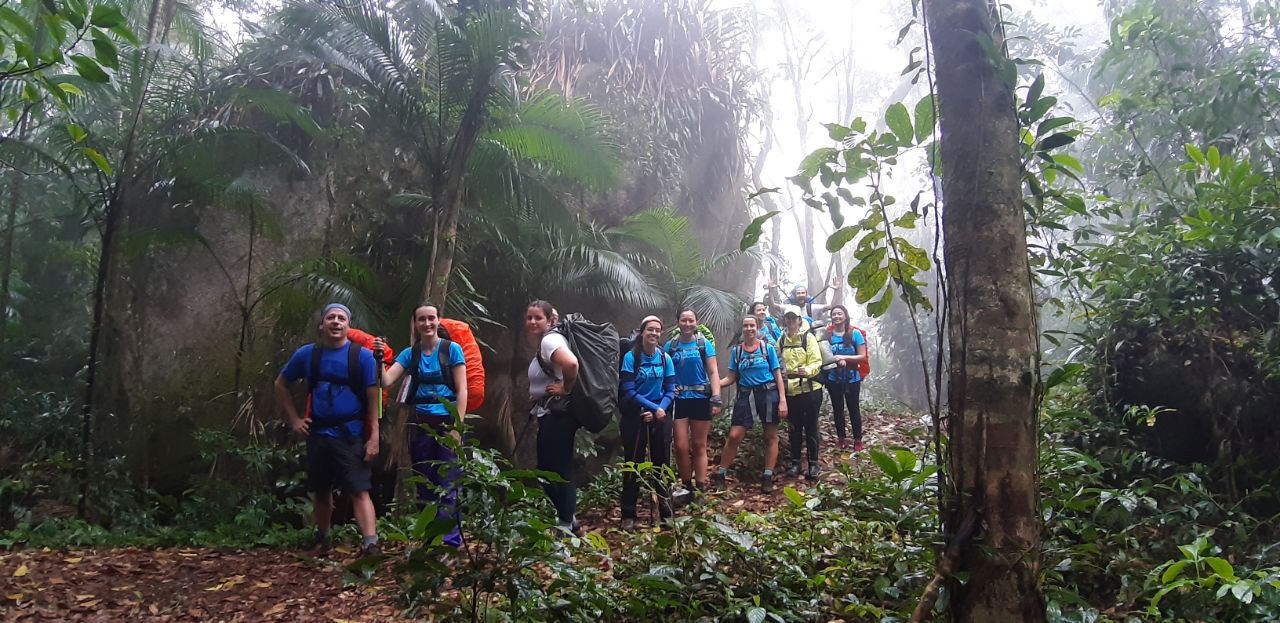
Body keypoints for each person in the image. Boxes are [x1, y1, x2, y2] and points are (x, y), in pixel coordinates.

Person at [275, 303, 381, 557]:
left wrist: (374, 436)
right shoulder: (307, 355)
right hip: (318, 433)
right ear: (322, 325)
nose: (335, 322)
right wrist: (295, 419)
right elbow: (280, 384)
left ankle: (371, 544)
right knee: (320, 488)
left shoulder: (361, 356)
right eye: (330, 317)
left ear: (348, 325)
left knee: (359, 488)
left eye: (341, 318)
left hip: (350, 433)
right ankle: (322, 538)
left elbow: (373, 397)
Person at [375, 302, 467, 548]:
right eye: (421, 319)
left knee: (449, 483)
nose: (427, 323)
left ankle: (449, 541)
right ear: (415, 324)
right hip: (421, 426)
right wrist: (378, 357)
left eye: (431, 318)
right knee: (426, 484)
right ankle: (430, 536)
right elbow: (385, 381)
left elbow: (462, 389)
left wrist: (458, 427)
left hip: (448, 425)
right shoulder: (410, 354)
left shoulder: (452, 349)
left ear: (438, 321)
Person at [711, 315, 788, 494]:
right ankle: (721, 474)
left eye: (752, 325)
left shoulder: (767, 349)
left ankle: (767, 476)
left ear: (757, 327)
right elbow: (731, 378)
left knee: (770, 435)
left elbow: (778, 376)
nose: (749, 329)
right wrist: (713, 385)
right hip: (746, 395)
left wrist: (783, 400)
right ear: (742, 328)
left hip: (768, 393)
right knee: (735, 435)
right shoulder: (737, 352)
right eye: (745, 325)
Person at [526, 300, 582, 534]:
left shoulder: (550, 340)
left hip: (558, 415)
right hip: (549, 412)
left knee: (559, 471)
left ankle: (565, 526)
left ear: (550, 321)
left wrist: (565, 389)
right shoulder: (548, 341)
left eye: (537, 317)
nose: (532, 322)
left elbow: (571, 364)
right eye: (529, 317)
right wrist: (538, 395)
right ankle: (570, 521)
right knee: (547, 470)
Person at [618, 315, 677, 529]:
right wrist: (655, 408)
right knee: (633, 464)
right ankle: (628, 514)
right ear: (642, 332)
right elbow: (629, 390)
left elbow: (670, 388)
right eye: (650, 330)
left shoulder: (664, 358)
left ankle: (666, 512)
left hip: (659, 415)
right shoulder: (631, 357)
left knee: (661, 464)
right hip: (636, 416)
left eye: (657, 331)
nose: (654, 334)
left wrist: (660, 409)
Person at [666, 309, 722, 505]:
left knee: (699, 445)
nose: (687, 323)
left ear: (696, 323)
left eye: (691, 320)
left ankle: (699, 489)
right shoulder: (670, 345)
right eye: (684, 320)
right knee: (681, 447)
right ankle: (686, 487)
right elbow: (665, 372)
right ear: (678, 322)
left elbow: (714, 371)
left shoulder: (703, 344)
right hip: (679, 400)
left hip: (700, 398)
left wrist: (716, 397)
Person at [779, 305, 825, 480]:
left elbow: (816, 361)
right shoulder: (782, 340)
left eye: (794, 318)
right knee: (794, 428)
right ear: (785, 320)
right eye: (788, 318)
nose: (791, 321)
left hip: (810, 389)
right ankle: (796, 462)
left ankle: (813, 464)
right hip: (791, 391)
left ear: (800, 320)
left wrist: (808, 371)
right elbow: (778, 363)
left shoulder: (809, 338)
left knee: (811, 426)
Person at [824, 305, 869, 451]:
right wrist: (836, 361)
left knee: (853, 408)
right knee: (838, 409)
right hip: (833, 378)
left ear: (845, 316)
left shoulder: (855, 334)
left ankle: (857, 440)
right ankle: (841, 438)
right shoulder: (828, 335)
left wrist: (844, 358)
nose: (837, 316)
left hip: (852, 378)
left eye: (840, 314)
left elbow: (862, 357)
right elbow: (823, 354)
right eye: (834, 314)